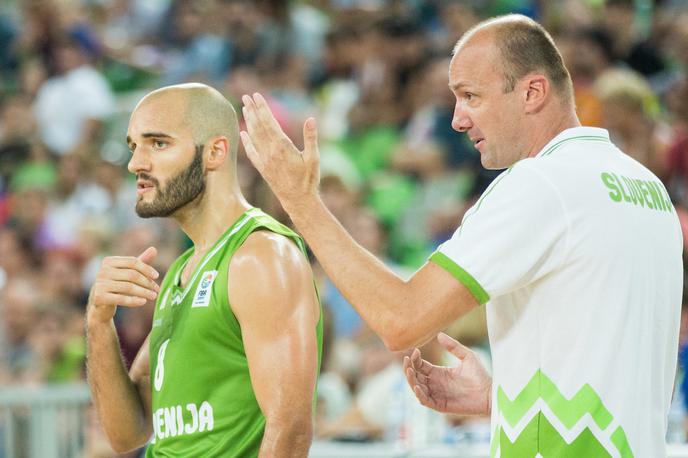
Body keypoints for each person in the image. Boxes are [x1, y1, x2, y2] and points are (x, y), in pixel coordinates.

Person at [240, 14, 682, 457]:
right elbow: (614, 361)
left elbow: (402, 320)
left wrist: (299, 201)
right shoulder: (646, 187)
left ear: (532, 92)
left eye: (471, 96)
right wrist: (501, 400)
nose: (457, 120)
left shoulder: (540, 183)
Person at [86, 83, 323, 457]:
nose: (135, 164)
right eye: (134, 146)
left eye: (158, 143)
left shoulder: (260, 255)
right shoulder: (184, 270)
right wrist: (99, 323)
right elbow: (126, 433)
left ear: (214, 152)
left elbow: (290, 430)